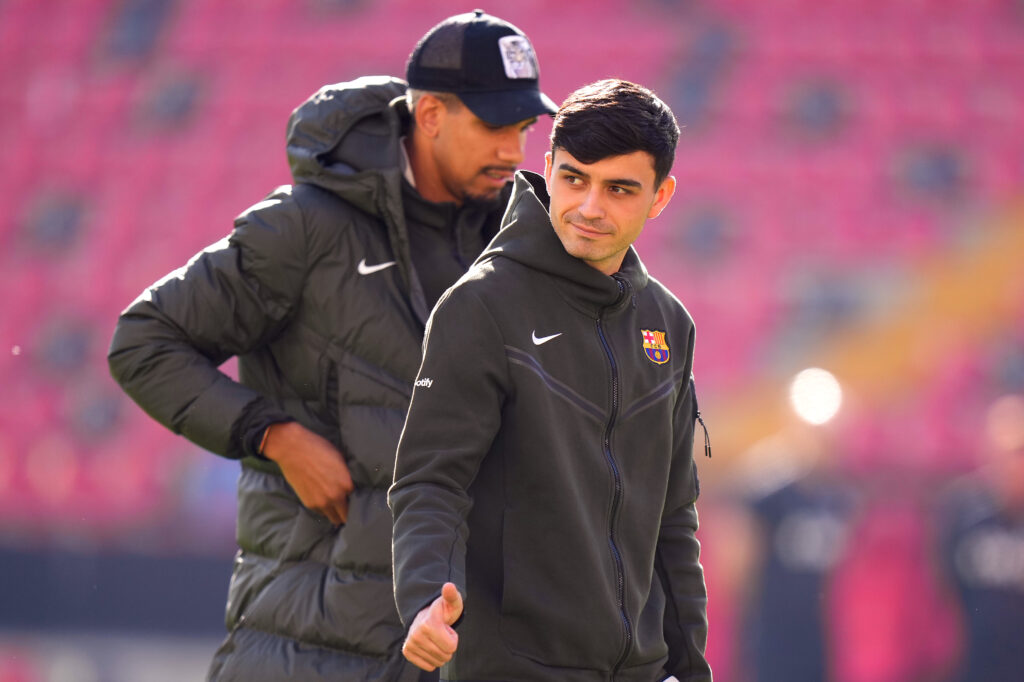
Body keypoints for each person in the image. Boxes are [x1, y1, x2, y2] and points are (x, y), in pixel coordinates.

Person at [107, 10, 555, 682]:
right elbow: (145, 341)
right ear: (429, 114)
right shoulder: (303, 229)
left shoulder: (524, 241)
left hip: (463, 649)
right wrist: (275, 435)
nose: (513, 152)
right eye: (495, 127)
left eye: (523, 129)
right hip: (308, 651)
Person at [390, 79, 712, 681]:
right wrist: (422, 598)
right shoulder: (481, 306)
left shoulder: (669, 325)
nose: (589, 207)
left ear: (660, 196)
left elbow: (672, 517)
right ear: (548, 168)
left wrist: (689, 667)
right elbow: (431, 482)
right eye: (574, 179)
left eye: (618, 189)